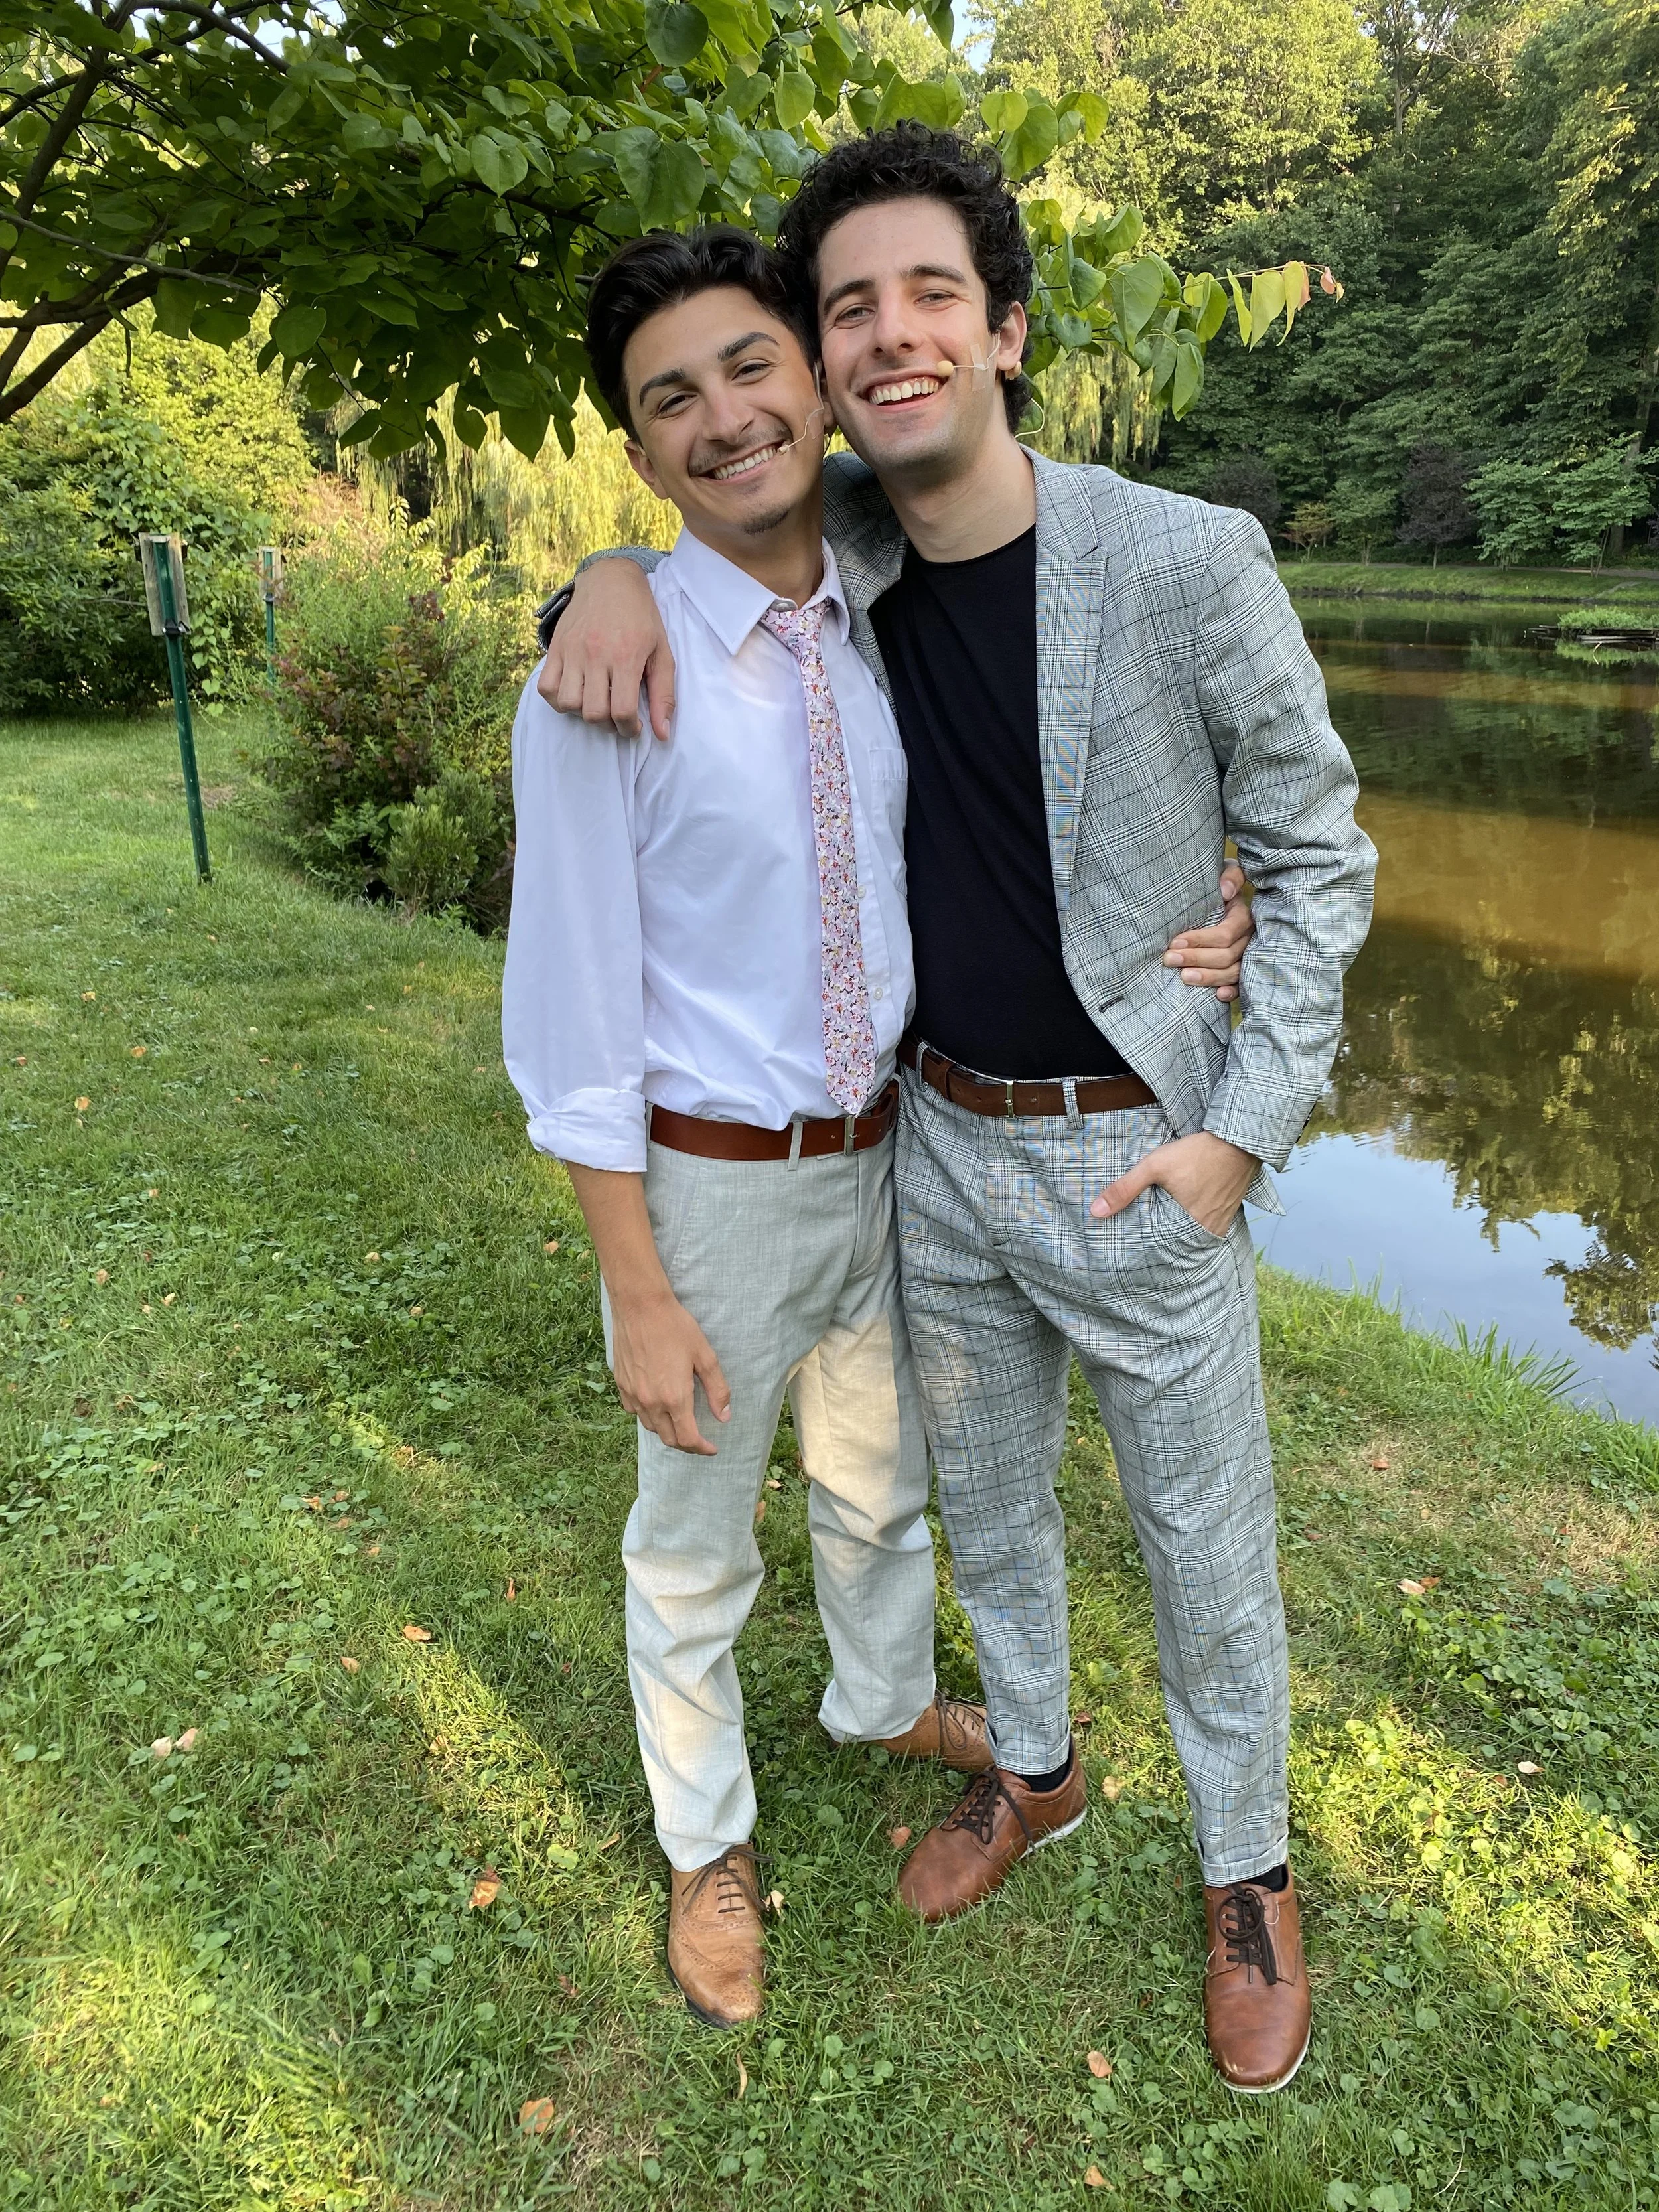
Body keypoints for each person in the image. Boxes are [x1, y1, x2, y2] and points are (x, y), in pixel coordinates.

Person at [539, 126, 1376, 2094]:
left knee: (1203, 1542)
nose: (888, 335)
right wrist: (604, 572)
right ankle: (1035, 1767)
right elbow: (703, 524)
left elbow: (1318, 855)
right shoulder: (843, 554)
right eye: (849, 308)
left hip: (1140, 1151)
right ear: (825, 363)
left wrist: (1238, 1133)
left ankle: (1248, 1872)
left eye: (931, 293)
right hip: (932, 1145)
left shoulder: (1185, 557)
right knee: (984, 1510)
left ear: (1004, 329)